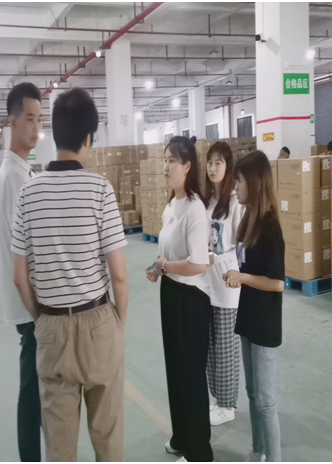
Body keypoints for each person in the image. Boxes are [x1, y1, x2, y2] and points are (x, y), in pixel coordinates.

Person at [12, 87, 129, 462]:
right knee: (107, 439)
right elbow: (120, 276)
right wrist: (118, 324)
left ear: (55, 134)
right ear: (89, 138)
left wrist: (43, 319)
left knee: (60, 448)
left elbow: (20, 276)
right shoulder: (100, 190)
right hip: (98, 323)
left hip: (52, 329)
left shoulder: (28, 192)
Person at [146, 136, 213, 463]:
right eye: (165, 159)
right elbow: (169, 253)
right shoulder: (172, 205)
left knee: (191, 374)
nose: (166, 166)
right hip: (171, 292)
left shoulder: (195, 210)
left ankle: (200, 451)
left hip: (191, 299)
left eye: (172, 160)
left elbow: (199, 264)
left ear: (187, 167)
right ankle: (182, 435)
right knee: (175, 368)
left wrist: (166, 266)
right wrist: (158, 267)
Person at [223, 150, 285, 462]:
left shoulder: (271, 226)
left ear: (255, 183)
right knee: (251, 393)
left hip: (264, 322)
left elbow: (277, 283)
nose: (235, 188)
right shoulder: (249, 220)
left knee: (265, 400)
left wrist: (243, 277)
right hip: (247, 316)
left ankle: (273, 458)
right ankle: (258, 450)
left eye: (239, 182)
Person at [0, 82, 43, 462]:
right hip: (30, 308)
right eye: (29, 118)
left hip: (29, 305)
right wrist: (39, 312)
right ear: (12, 121)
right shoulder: (13, 176)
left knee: (38, 392)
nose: (36, 127)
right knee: (32, 395)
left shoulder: (21, 171)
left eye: (40, 119)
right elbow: (21, 254)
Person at [203, 141, 244, 427]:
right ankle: (217, 399)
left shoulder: (235, 203)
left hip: (227, 284)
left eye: (219, 162)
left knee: (226, 347)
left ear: (228, 167)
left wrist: (227, 265)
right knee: (211, 346)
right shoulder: (207, 202)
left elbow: (242, 246)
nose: (213, 167)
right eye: (210, 162)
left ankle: (228, 405)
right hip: (206, 283)